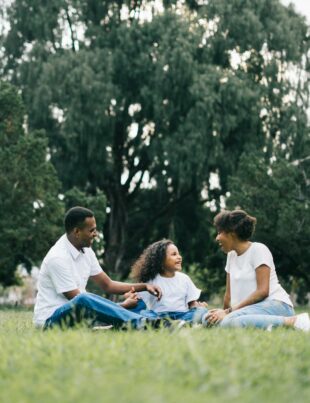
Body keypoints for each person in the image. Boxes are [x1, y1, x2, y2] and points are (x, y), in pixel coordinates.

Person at [33, 206, 163, 330]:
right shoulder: (57, 258)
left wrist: (145, 286)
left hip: (81, 314)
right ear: (77, 232)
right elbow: (79, 302)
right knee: (83, 298)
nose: (95, 234)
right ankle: (141, 322)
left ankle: (155, 321)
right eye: (91, 230)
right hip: (52, 321)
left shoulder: (86, 251)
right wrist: (122, 305)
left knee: (137, 303)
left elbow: (108, 285)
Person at [206, 209, 310, 332]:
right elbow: (228, 295)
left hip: (276, 304)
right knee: (207, 318)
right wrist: (222, 313)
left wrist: (228, 313)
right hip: (251, 309)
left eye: (219, 232)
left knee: (228, 322)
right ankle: (265, 324)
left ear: (232, 233)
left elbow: (262, 291)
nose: (217, 238)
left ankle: (294, 321)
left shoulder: (258, 250)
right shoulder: (231, 256)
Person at [128, 239, 208, 325]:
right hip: (159, 316)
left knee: (202, 310)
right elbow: (138, 299)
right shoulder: (150, 281)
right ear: (160, 261)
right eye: (174, 254)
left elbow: (192, 303)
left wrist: (196, 308)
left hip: (182, 315)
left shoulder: (185, 279)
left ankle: (177, 324)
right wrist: (131, 297)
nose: (179, 257)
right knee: (145, 314)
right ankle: (176, 324)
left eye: (178, 254)